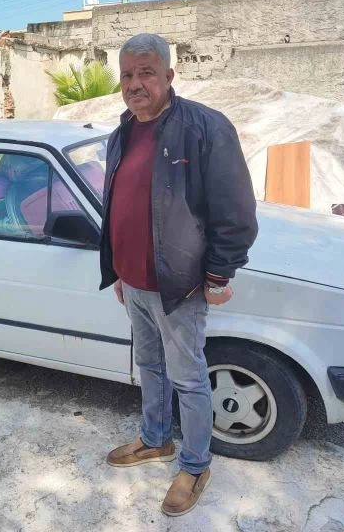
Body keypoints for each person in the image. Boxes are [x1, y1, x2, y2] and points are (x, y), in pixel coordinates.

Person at [100, 33, 258, 516]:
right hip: (135, 283)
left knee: (188, 378)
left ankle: (194, 464)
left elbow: (235, 212)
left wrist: (217, 275)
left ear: (169, 75)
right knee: (148, 367)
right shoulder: (122, 132)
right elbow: (119, 208)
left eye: (146, 72)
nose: (135, 83)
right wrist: (120, 273)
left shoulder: (205, 128)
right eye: (127, 74)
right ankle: (155, 440)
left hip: (180, 286)